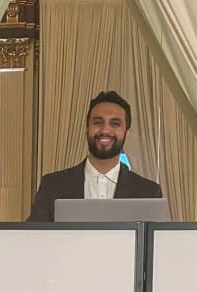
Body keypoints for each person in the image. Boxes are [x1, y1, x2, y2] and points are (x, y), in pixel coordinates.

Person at [27, 91, 163, 222]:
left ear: (126, 132)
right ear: (87, 129)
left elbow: (153, 243)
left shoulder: (148, 192)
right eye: (98, 122)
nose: (105, 130)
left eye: (115, 123)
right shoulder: (52, 185)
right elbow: (34, 239)